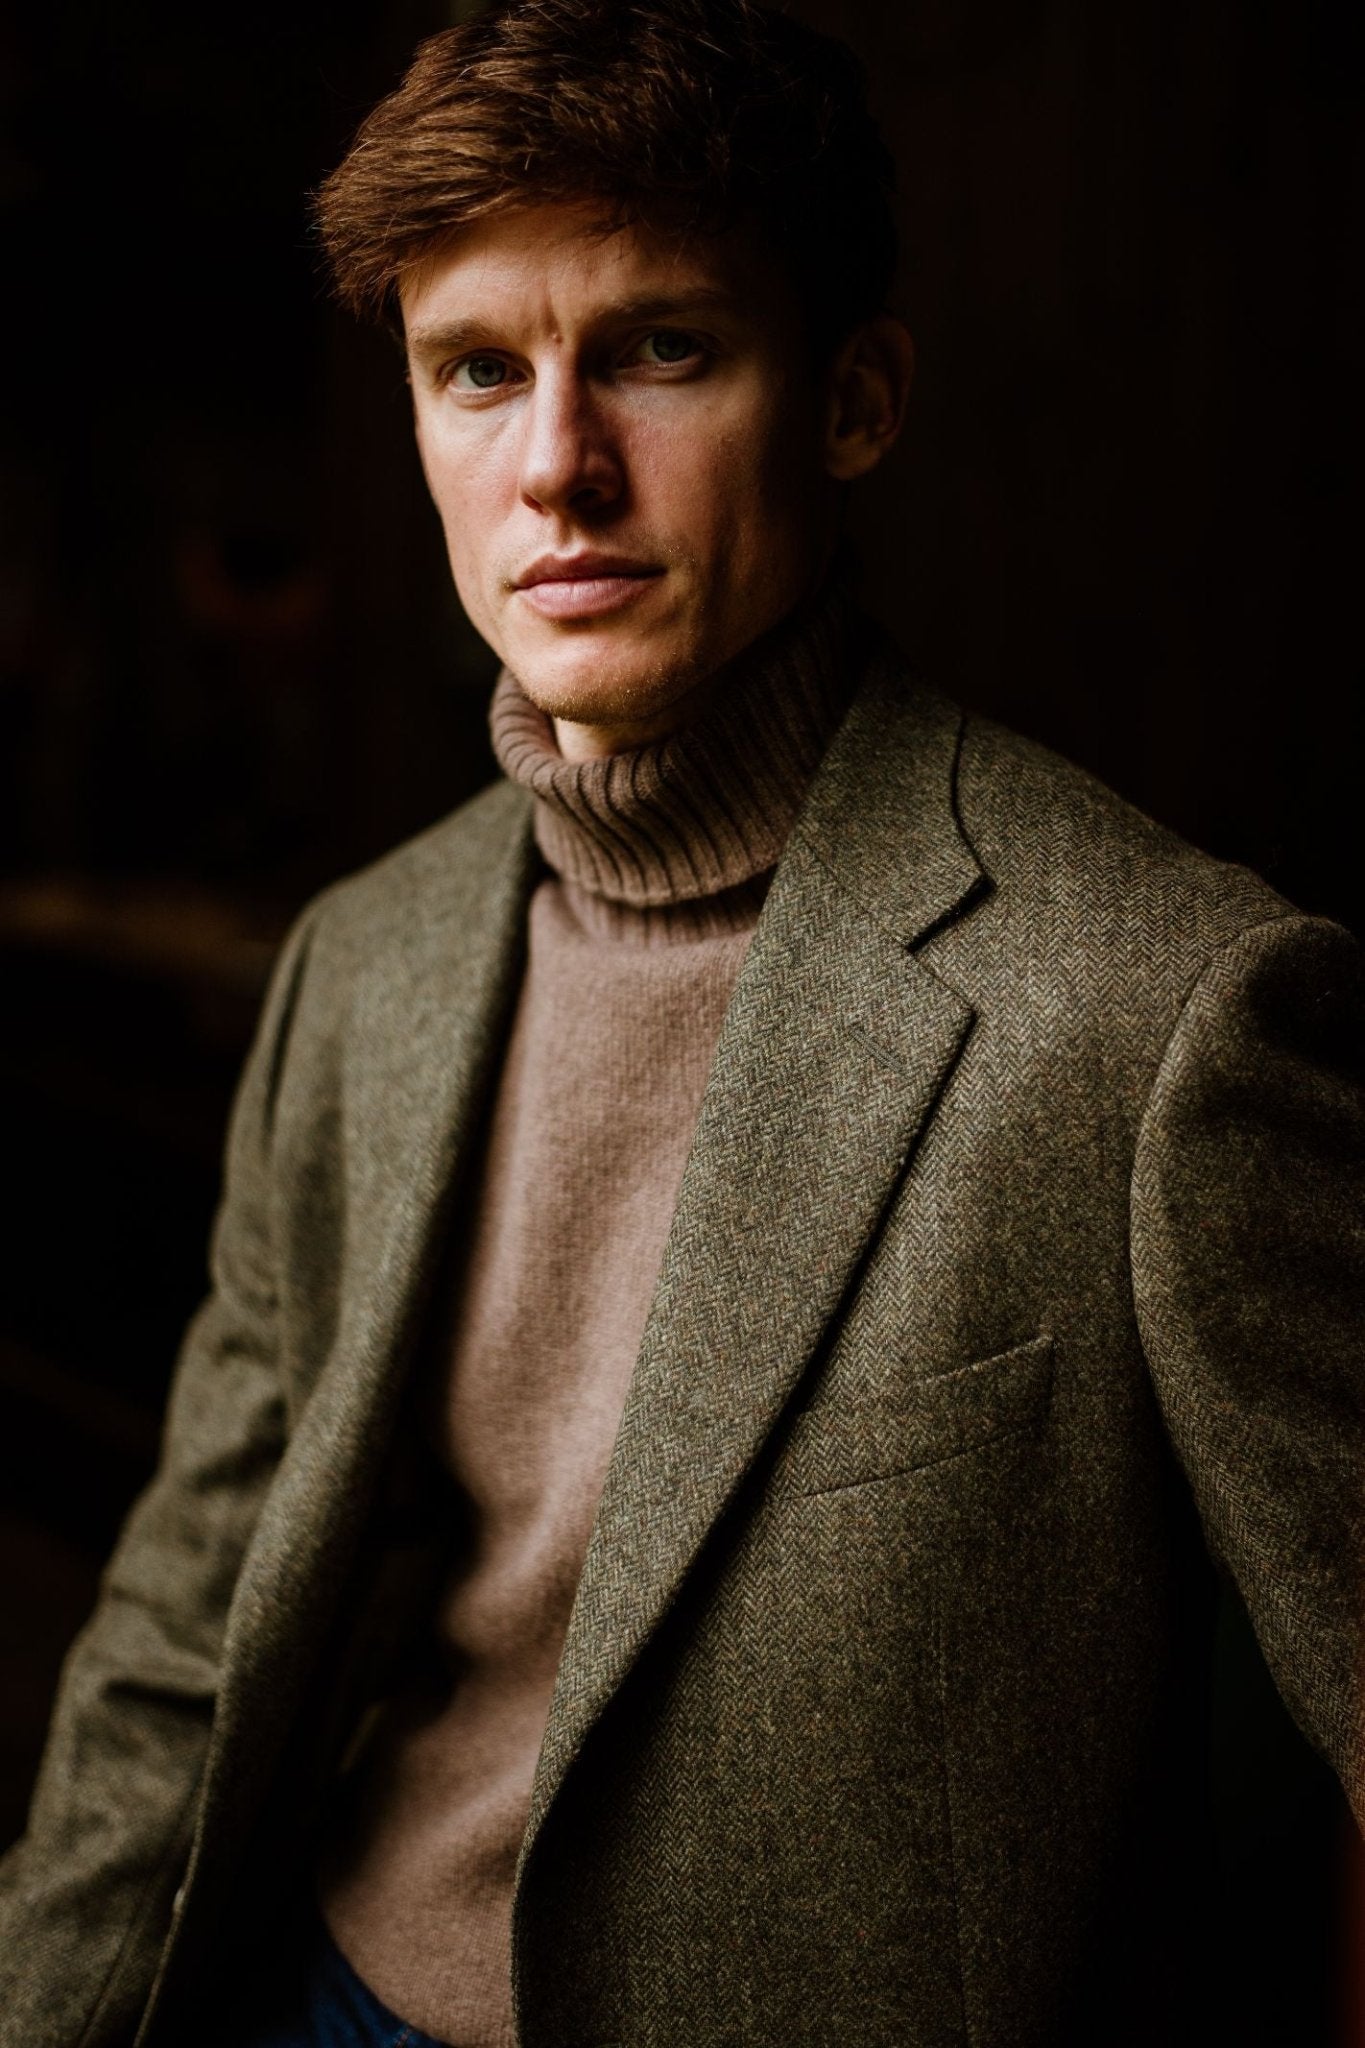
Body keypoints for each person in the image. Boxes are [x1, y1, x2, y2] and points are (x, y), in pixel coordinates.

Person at [2, 2, 1361, 2043]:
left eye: (658, 348)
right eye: (476, 372)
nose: (554, 461)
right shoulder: (359, 965)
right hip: (320, 1990)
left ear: (853, 399)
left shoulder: (1161, 1010)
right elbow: (188, 1634)